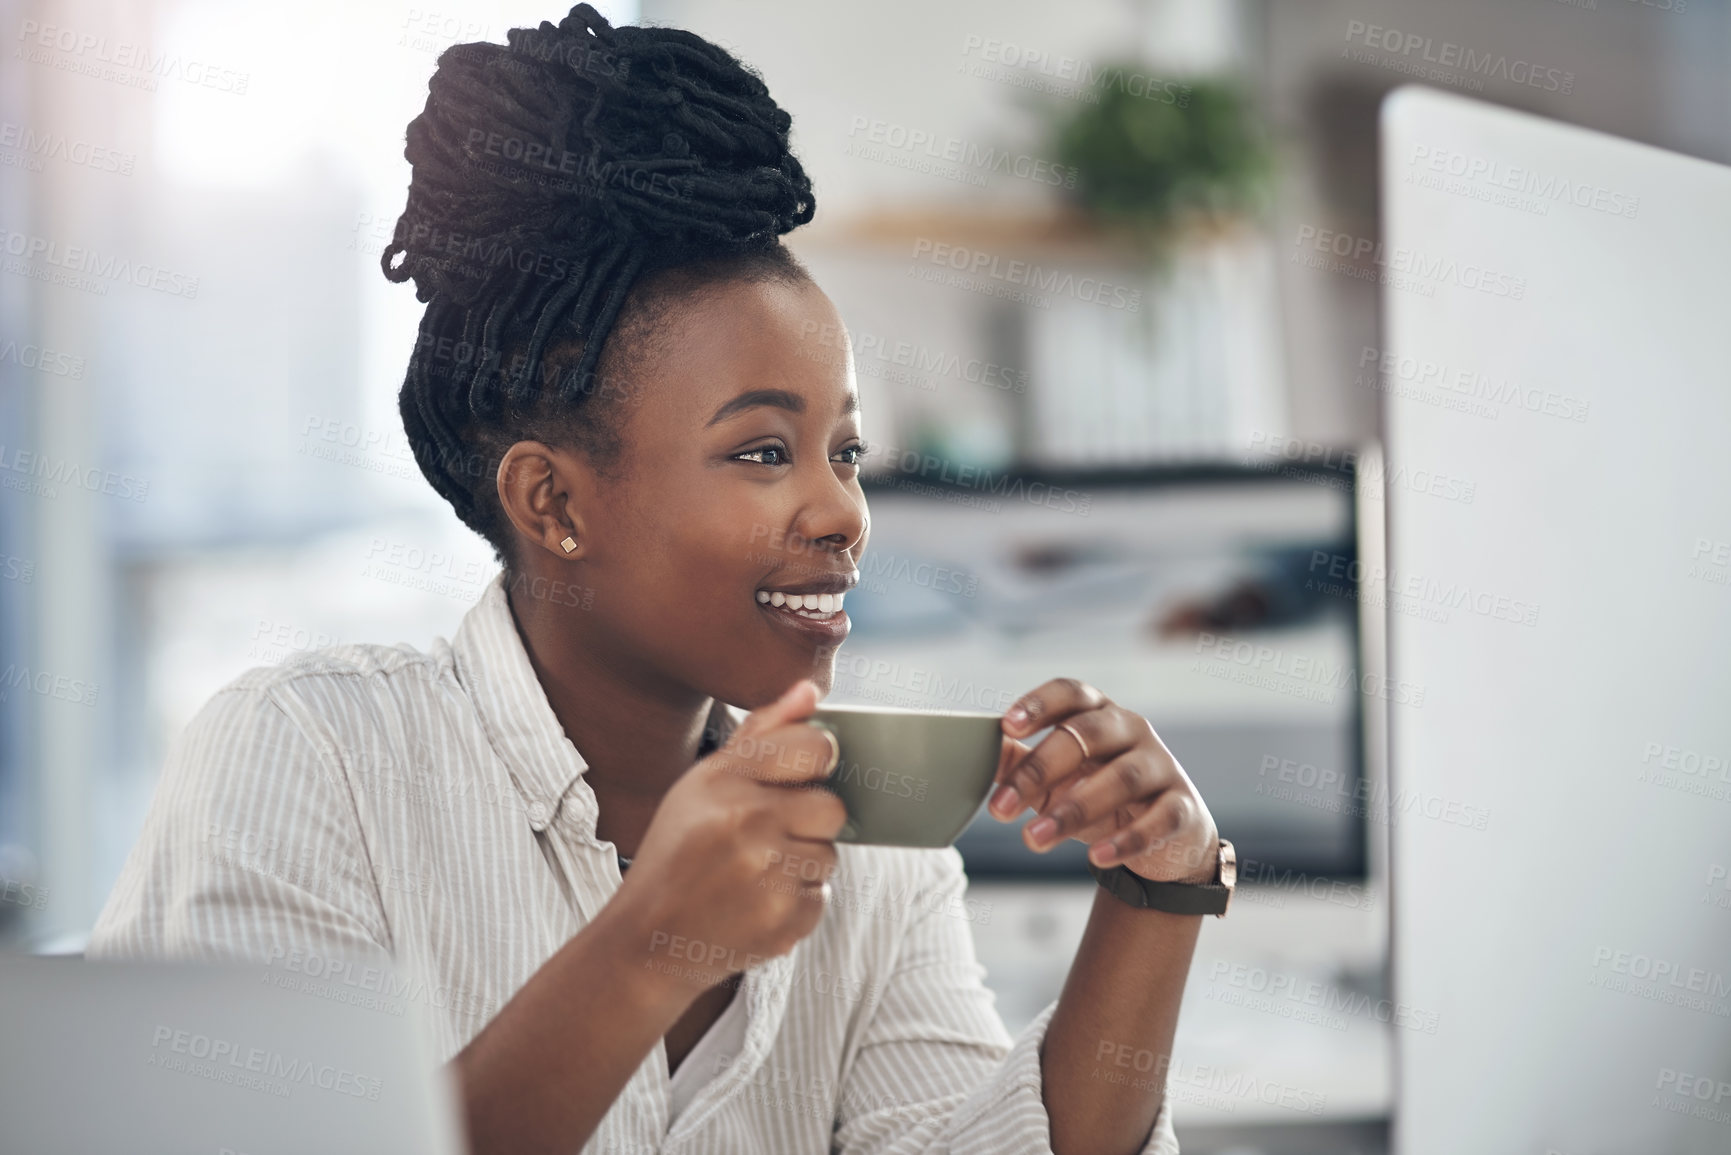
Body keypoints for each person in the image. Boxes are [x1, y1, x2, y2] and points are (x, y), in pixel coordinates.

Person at [90, 7, 1226, 1153]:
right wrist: (652, 944)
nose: (840, 511)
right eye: (761, 453)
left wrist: (1156, 894)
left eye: (846, 452)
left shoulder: (871, 846)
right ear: (555, 504)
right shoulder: (309, 760)